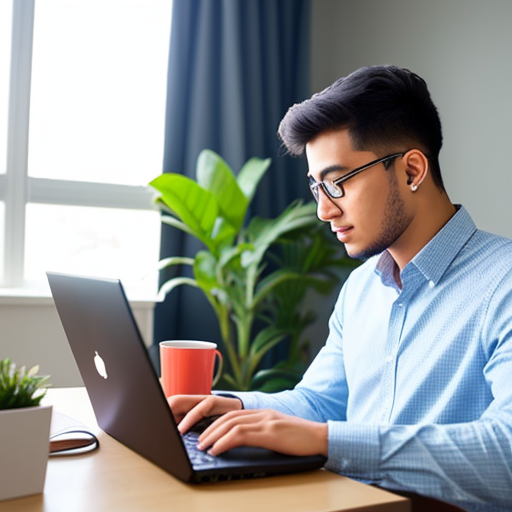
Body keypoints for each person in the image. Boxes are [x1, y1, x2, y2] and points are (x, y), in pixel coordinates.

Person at [168, 65, 512, 512]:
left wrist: (326, 440)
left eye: (337, 182)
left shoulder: (502, 283)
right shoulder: (361, 289)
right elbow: (321, 400)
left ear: (411, 170)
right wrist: (231, 407)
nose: (323, 211)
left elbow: (505, 452)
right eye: (316, 186)